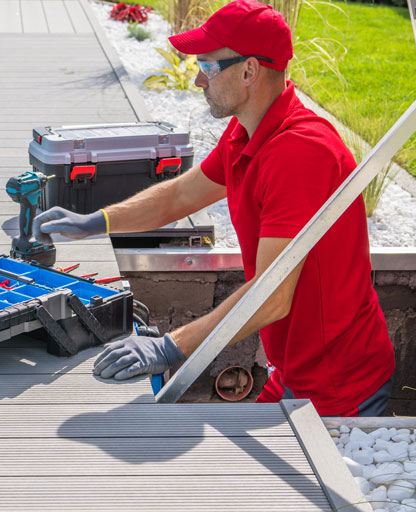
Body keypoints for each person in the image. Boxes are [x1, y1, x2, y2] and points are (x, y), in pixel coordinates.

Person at [32, 0, 395, 417]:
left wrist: (170, 347)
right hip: (294, 368)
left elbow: (273, 297)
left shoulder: (299, 154)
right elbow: (179, 196)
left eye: (207, 66)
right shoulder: (248, 132)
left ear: (249, 71)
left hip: (340, 386)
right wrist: (96, 222)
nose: (198, 81)